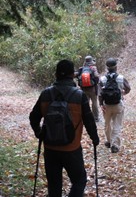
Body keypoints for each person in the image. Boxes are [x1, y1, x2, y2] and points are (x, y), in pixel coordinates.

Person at [29, 59, 100, 197]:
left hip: (50, 148)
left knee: (54, 185)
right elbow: (89, 121)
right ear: (72, 75)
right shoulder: (79, 96)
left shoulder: (46, 94)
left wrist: (39, 133)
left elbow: (33, 117)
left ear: (56, 74)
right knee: (79, 180)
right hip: (71, 149)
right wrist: (95, 138)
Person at [98, 58, 131, 153]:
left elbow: (100, 94)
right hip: (118, 104)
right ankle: (115, 144)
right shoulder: (121, 78)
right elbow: (128, 88)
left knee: (107, 124)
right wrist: (122, 93)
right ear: (116, 67)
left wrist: (101, 104)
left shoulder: (102, 79)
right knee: (117, 124)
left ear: (107, 68)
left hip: (106, 105)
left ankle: (108, 141)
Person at [76, 56, 100, 122]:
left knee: (85, 103)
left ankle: (85, 117)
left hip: (83, 89)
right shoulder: (93, 68)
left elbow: (76, 75)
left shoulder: (81, 68)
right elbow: (96, 76)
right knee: (94, 103)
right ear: (91, 61)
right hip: (93, 88)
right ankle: (96, 118)